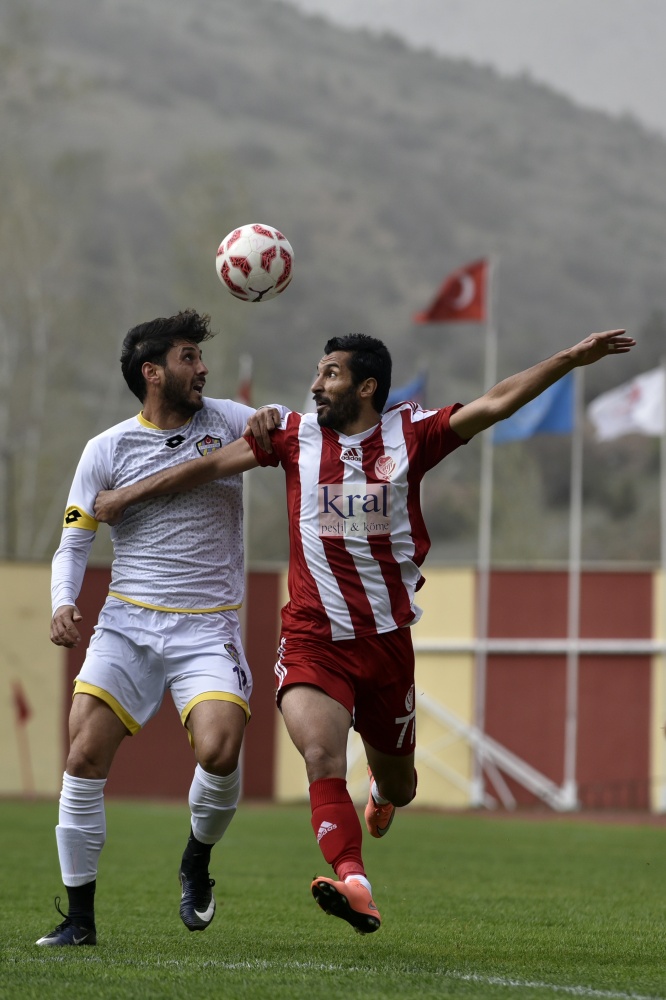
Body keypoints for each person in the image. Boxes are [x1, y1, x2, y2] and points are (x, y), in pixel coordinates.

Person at [93, 327, 635, 935]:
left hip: (385, 647)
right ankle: (354, 879)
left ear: (367, 386)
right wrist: (127, 496)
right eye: (318, 372)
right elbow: (209, 466)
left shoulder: (412, 435)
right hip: (312, 639)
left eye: (330, 374)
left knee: (401, 787)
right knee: (321, 754)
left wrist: (571, 355)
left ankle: (382, 788)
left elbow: (495, 402)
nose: (316, 385)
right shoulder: (295, 437)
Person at [37, 309, 280, 946]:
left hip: (208, 626)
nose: (202, 368)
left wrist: (270, 418)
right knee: (83, 754)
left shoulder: (227, 419)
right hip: (126, 625)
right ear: (153, 372)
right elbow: (73, 541)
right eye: (187, 357)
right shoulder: (106, 449)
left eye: (200, 357)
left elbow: (277, 424)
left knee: (219, 750)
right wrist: (63, 602)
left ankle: (196, 860)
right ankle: (79, 920)